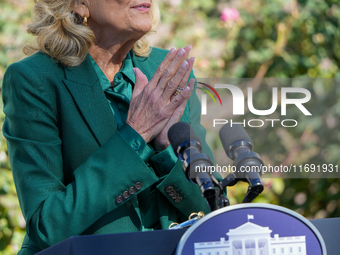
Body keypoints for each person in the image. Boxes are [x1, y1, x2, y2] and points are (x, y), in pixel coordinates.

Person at [2, 0, 215, 254]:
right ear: (79, 4)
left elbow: (212, 205)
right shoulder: (34, 79)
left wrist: (165, 149)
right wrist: (135, 134)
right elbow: (47, 225)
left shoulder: (169, 73)